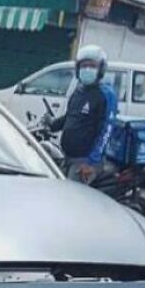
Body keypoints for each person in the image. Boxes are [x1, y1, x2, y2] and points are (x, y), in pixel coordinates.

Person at [43, 44, 117, 183]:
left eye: (92, 66)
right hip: (67, 155)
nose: (87, 69)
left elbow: (106, 130)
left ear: (101, 69)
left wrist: (91, 162)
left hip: (84, 162)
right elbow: (69, 117)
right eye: (83, 65)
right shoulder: (79, 91)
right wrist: (51, 125)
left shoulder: (105, 94)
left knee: (70, 199)